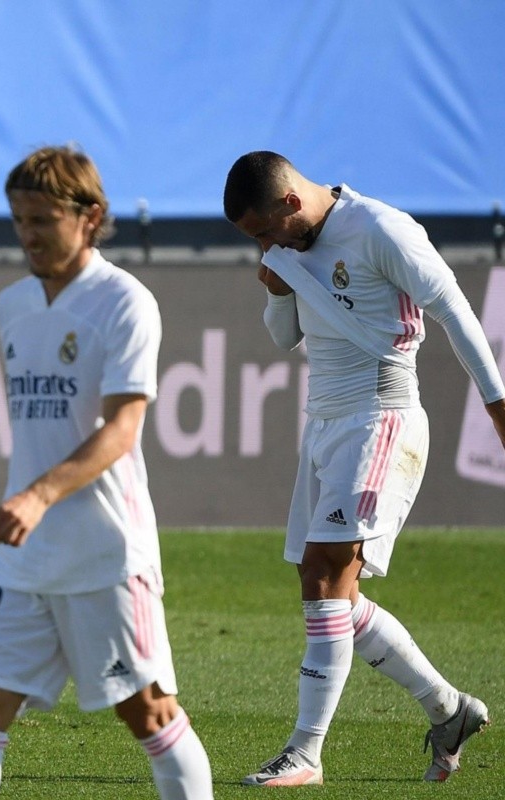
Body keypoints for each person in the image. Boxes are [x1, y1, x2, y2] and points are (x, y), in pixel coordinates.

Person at [0, 146, 213, 800]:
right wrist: (28, 501)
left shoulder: (125, 303)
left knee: (148, 712)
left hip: (105, 552)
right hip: (25, 557)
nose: (28, 235)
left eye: (42, 220)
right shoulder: (11, 304)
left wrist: (38, 494)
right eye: (19, 220)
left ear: (91, 217)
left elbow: (122, 429)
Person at [222, 151, 505, 787]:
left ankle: (306, 751)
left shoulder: (380, 230)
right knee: (328, 588)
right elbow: (281, 338)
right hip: (322, 422)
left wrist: (497, 404)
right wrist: (278, 291)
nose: (264, 246)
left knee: (326, 575)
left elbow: (454, 307)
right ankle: (447, 708)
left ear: (291, 202)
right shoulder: (286, 247)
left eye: (266, 232)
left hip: (381, 415)